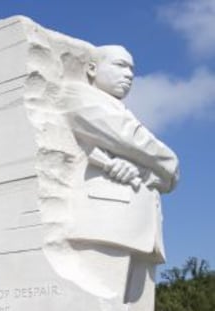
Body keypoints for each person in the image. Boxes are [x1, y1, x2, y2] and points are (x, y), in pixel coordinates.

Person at [42, 45, 179, 311]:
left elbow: (168, 179)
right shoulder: (76, 95)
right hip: (106, 223)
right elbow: (132, 139)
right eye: (120, 65)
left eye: (132, 69)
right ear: (92, 68)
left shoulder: (122, 110)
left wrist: (144, 171)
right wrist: (168, 163)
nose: (129, 74)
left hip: (143, 230)